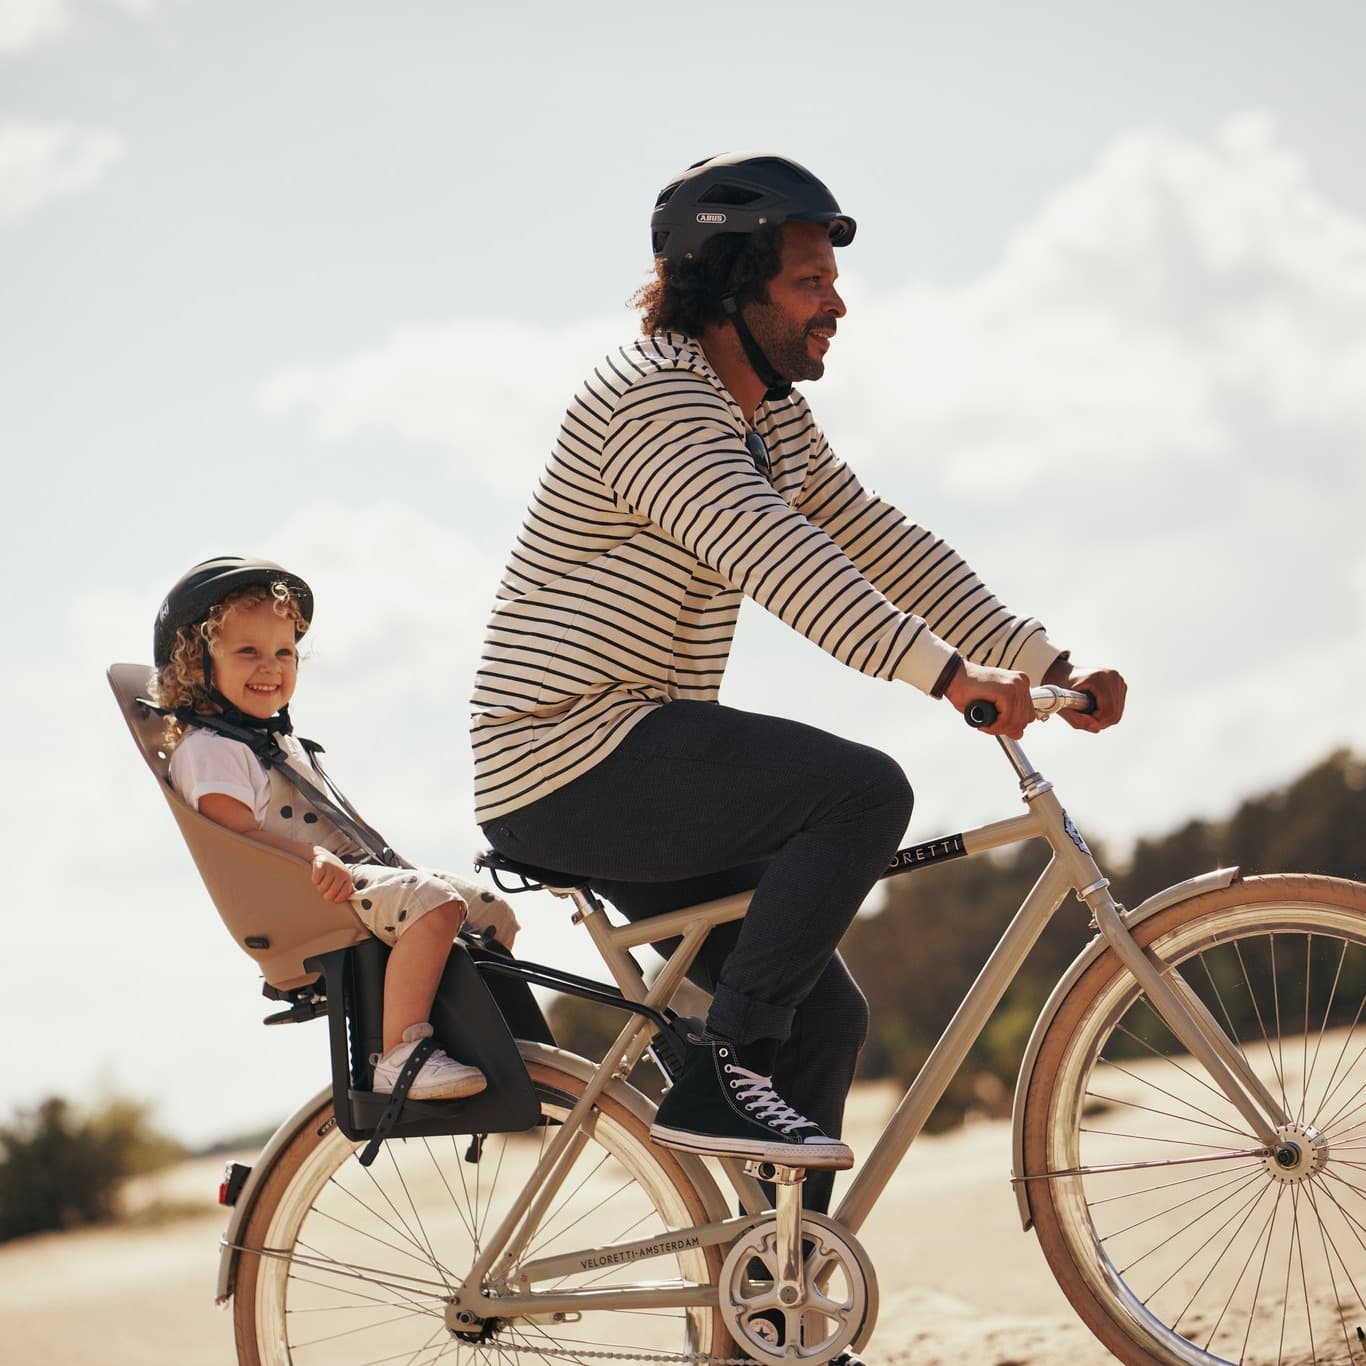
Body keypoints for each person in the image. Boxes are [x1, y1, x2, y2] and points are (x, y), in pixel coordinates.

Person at [471, 153, 1125, 1206]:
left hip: (639, 752)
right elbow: (781, 559)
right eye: (808, 280)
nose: (837, 304)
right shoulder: (657, 405)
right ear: (730, 284)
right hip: (570, 756)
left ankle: (778, 1297)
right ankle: (724, 1078)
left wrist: (1043, 657)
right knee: (860, 790)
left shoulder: (763, 413)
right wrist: (948, 675)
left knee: (825, 1019)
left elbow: (873, 539)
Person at [153, 556, 519, 1101]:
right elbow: (236, 847)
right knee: (434, 904)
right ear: (195, 663)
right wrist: (312, 860)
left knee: (491, 910)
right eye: (247, 651)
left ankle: (490, 1043)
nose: (271, 666)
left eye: (284, 651)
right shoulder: (212, 751)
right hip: (305, 897)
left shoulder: (272, 742)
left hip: (339, 880)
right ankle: (401, 1055)